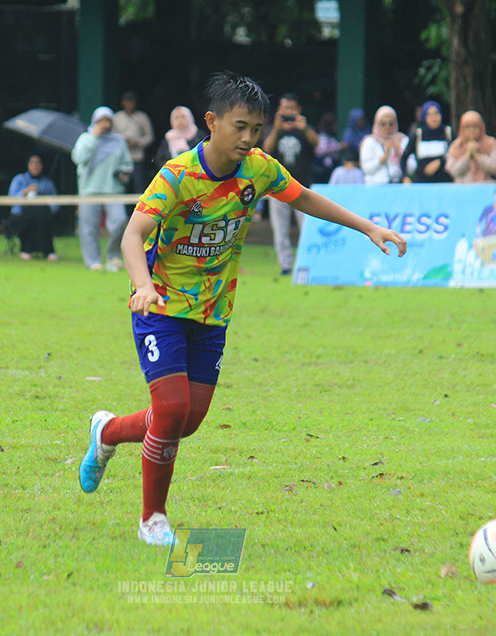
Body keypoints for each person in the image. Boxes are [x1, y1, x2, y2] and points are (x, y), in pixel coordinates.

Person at [77, 71, 407, 545]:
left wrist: (368, 228)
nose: (249, 138)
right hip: (161, 308)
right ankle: (153, 520)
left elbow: (306, 198)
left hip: (213, 316)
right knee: (170, 411)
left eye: (257, 128)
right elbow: (133, 235)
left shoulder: (259, 168)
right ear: (211, 122)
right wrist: (142, 285)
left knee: (185, 421)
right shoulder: (176, 177)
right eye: (240, 127)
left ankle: (107, 432)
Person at [71, 106, 133, 271]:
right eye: (101, 121)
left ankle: (113, 257)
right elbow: (78, 158)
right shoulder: (86, 138)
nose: (105, 124)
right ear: (95, 121)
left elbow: (127, 163)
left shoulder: (118, 141)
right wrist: (94, 137)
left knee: (119, 222)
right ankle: (93, 261)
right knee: (89, 227)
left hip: (113, 189)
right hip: (89, 190)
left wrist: (123, 172)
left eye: (108, 120)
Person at [263, 93, 317, 275]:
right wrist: (277, 129)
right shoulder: (275, 130)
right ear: (279, 110)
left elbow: (317, 144)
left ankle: (307, 263)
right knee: (280, 229)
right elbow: (266, 150)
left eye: (292, 109)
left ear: (298, 110)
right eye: (285, 109)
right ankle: (286, 266)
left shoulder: (304, 129)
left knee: (306, 227)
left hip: (302, 186)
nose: (288, 113)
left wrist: (305, 127)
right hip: (277, 187)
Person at [7, 154, 58, 261]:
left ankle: (48, 250)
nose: (35, 166)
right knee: (31, 216)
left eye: (38, 163)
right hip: (22, 214)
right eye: (32, 163)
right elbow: (11, 199)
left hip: (42, 216)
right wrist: (25, 192)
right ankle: (26, 249)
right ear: (27, 165)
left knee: (41, 215)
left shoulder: (47, 183)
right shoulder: (19, 179)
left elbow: (56, 204)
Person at [400, 100, 452, 183]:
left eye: (436, 113)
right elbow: (404, 157)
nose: (433, 118)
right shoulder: (418, 134)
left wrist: (440, 162)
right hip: (422, 184)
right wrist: (405, 177)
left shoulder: (448, 132)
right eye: (429, 115)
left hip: (445, 183)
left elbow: (456, 154)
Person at [113, 91, 154, 194]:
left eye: (131, 101)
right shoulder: (117, 117)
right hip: (121, 158)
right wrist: (122, 142)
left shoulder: (142, 117)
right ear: (123, 103)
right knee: (121, 187)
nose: (129, 104)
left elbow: (150, 136)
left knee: (138, 186)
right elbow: (112, 136)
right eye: (127, 101)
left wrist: (137, 142)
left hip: (137, 157)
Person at [445, 111, 496, 183]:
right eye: (467, 127)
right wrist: (468, 154)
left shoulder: (491, 143)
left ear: (481, 127)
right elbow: (453, 171)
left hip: (486, 187)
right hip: (463, 189)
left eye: (475, 127)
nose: (471, 131)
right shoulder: (456, 145)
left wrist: (477, 156)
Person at [359, 106, 408, 184]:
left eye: (391, 124)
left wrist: (399, 154)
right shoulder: (370, 141)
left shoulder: (402, 140)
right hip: (375, 186)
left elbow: (412, 167)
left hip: (397, 185)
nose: (387, 127)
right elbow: (367, 169)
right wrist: (384, 157)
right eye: (383, 124)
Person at [153, 106, 207, 171]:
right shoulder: (169, 137)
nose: (180, 120)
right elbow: (160, 159)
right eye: (176, 117)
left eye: (183, 117)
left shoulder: (199, 135)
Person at [312, 111, 342, 184]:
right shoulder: (321, 137)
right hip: (320, 170)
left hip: (330, 169)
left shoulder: (331, 137)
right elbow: (321, 150)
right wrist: (339, 146)